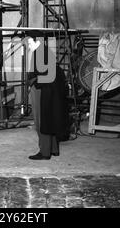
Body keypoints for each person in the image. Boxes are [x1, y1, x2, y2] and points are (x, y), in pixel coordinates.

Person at [26, 32, 70, 160]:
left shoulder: (39, 53)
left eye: (29, 42)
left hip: (42, 90)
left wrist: (32, 82)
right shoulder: (46, 52)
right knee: (50, 119)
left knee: (42, 121)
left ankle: (44, 152)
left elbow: (39, 75)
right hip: (51, 90)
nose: (28, 45)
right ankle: (53, 149)